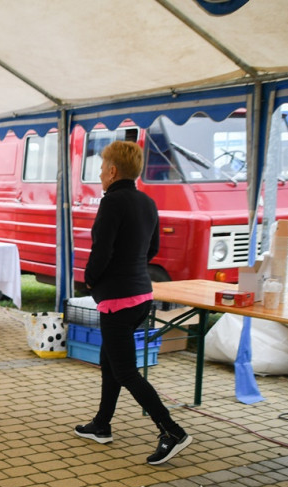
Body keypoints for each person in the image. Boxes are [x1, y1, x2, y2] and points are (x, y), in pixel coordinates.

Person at [74, 140, 192, 466]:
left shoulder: (111, 202)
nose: (99, 174)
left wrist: (91, 279)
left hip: (118, 297)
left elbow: (101, 250)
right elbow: (151, 249)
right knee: (110, 361)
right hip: (141, 294)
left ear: (112, 171)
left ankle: (171, 430)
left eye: (101, 168)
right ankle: (101, 424)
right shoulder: (147, 202)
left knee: (125, 371)